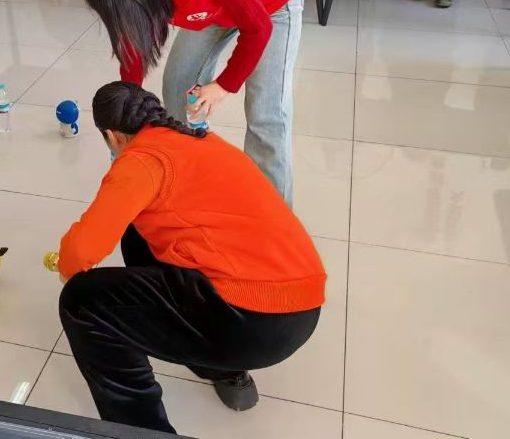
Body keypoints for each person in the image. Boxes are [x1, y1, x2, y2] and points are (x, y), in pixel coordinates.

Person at [53, 82, 325, 433]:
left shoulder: (142, 161)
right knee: (140, 232)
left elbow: (80, 252)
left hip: (252, 320)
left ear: (112, 136)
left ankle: (144, 432)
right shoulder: (199, 140)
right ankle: (225, 370)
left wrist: (66, 269)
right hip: (302, 304)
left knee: (82, 303)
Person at [84, 0, 303, 204]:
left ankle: (274, 215)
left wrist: (222, 86)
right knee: (178, 85)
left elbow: (258, 29)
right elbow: (133, 40)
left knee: (266, 116)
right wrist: (127, 110)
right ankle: (190, 174)